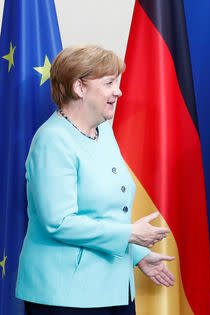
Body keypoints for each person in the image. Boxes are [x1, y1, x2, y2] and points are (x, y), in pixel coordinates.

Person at [15, 45, 175, 315]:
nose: (118, 91)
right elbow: (59, 222)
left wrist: (137, 255)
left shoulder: (103, 132)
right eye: (109, 82)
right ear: (79, 87)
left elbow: (105, 213)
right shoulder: (52, 140)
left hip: (113, 288)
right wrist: (131, 235)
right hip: (65, 295)